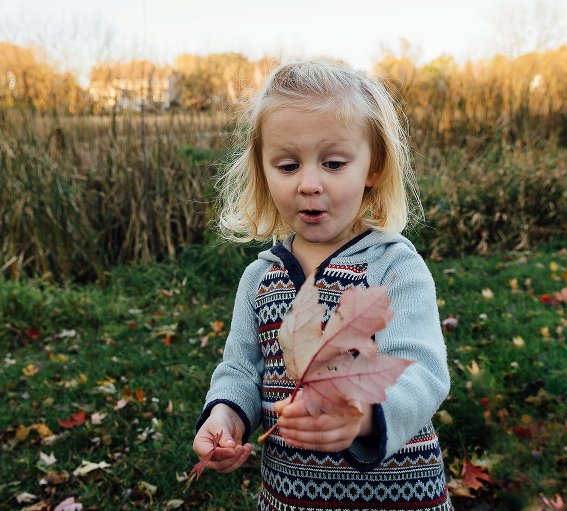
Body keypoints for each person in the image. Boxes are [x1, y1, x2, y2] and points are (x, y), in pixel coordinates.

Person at [192, 60, 452, 510]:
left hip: (398, 494)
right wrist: (226, 414)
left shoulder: (393, 267)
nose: (309, 184)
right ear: (263, 171)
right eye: (288, 165)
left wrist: (364, 416)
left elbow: (422, 369)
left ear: (373, 167)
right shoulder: (260, 279)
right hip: (292, 496)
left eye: (333, 163)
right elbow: (240, 369)